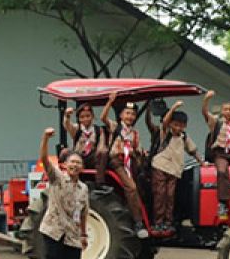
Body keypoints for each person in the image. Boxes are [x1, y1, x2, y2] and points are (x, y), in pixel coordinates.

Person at [37, 127, 88, 259]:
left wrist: (84, 235)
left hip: (73, 234)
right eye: (72, 162)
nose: (75, 165)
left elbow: (84, 213)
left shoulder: (84, 188)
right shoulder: (57, 178)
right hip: (54, 231)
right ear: (65, 165)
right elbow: (44, 160)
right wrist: (46, 138)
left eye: (78, 162)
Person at [151, 102, 200, 234]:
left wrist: (202, 161)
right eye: (176, 124)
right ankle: (158, 223)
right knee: (160, 196)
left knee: (170, 197)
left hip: (174, 171)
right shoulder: (165, 132)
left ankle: (168, 222)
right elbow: (166, 121)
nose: (178, 128)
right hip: (160, 167)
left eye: (181, 125)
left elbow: (193, 150)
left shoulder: (184, 137)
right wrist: (174, 108)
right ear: (171, 124)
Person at [102, 94, 147, 237]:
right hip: (117, 162)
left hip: (131, 163)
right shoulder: (115, 127)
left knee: (142, 187)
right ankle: (138, 223)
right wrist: (110, 101)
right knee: (131, 187)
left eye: (133, 114)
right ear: (121, 115)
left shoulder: (134, 133)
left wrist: (142, 153)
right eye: (127, 113)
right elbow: (103, 118)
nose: (130, 116)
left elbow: (138, 149)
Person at [203, 90, 230, 218]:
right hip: (220, 153)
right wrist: (206, 100)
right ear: (222, 111)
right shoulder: (217, 122)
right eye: (225, 109)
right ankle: (223, 202)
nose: (227, 112)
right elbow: (205, 113)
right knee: (221, 170)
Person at [63, 104, 108, 186]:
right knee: (65, 152)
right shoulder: (77, 129)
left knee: (103, 152)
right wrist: (67, 116)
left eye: (88, 116)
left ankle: (100, 183)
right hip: (79, 156)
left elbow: (101, 145)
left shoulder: (99, 130)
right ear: (79, 119)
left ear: (93, 116)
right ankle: (66, 179)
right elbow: (67, 125)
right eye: (82, 117)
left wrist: (100, 152)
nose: (85, 119)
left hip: (92, 157)